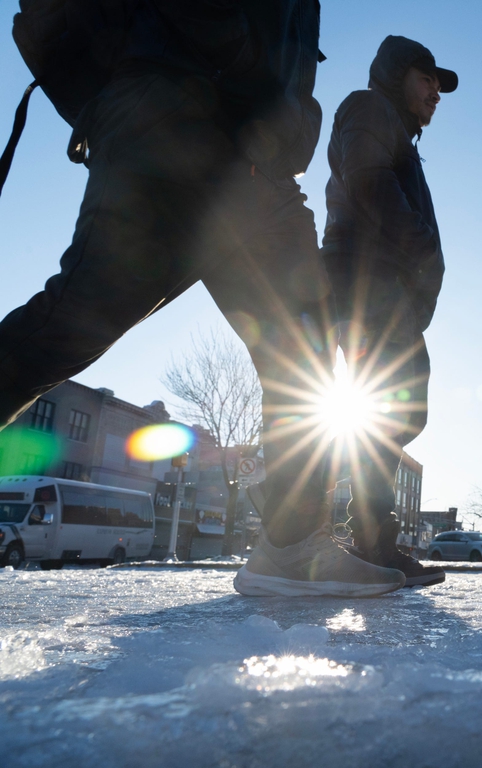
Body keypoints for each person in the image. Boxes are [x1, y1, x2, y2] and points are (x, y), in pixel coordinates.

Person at [0, 2, 405, 597]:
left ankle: (292, 548)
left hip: (253, 166)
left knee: (305, 342)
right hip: (170, 131)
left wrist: (291, 120)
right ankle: (292, 547)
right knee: (77, 318)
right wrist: (262, 85)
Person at [320, 36, 457, 586]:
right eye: (426, 80)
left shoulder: (398, 132)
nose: (435, 94)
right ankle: (366, 540)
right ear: (396, 74)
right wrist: (422, 249)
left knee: (396, 412)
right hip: (365, 286)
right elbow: (369, 184)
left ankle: (370, 538)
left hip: (384, 292)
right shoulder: (368, 107)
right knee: (386, 412)